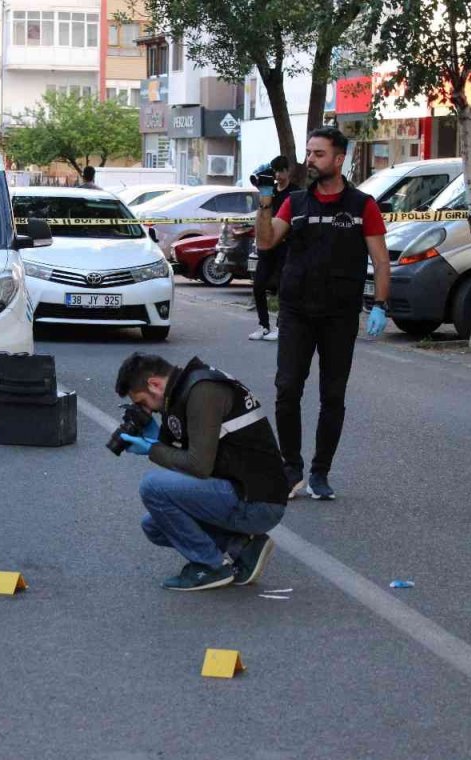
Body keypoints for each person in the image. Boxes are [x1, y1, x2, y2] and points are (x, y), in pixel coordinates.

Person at [254, 127, 392, 501]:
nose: (310, 160)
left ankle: (320, 473)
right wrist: (265, 200)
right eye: (309, 153)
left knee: (332, 395)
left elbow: (381, 260)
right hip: (297, 311)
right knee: (287, 389)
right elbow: (265, 241)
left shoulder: (363, 205)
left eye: (317, 154)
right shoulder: (294, 203)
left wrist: (380, 305)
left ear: (338, 158)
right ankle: (291, 468)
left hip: (339, 315)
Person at [115, 352, 289, 591]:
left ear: (154, 384)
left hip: (257, 501)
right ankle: (243, 547)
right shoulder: (182, 391)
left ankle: (211, 566)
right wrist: (156, 438)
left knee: (152, 486)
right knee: (154, 526)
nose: (147, 410)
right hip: (240, 489)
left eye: (142, 403)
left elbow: (198, 466)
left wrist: (153, 449)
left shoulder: (203, 391)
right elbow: (191, 455)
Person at [248, 155, 300, 342]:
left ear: (288, 171)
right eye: (275, 171)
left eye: (281, 170)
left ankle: (279, 326)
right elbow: (262, 213)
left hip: (285, 246)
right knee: (258, 285)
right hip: (266, 246)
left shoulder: (295, 193)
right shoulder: (270, 191)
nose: (278, 175)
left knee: (282, 287)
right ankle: (263, 325)